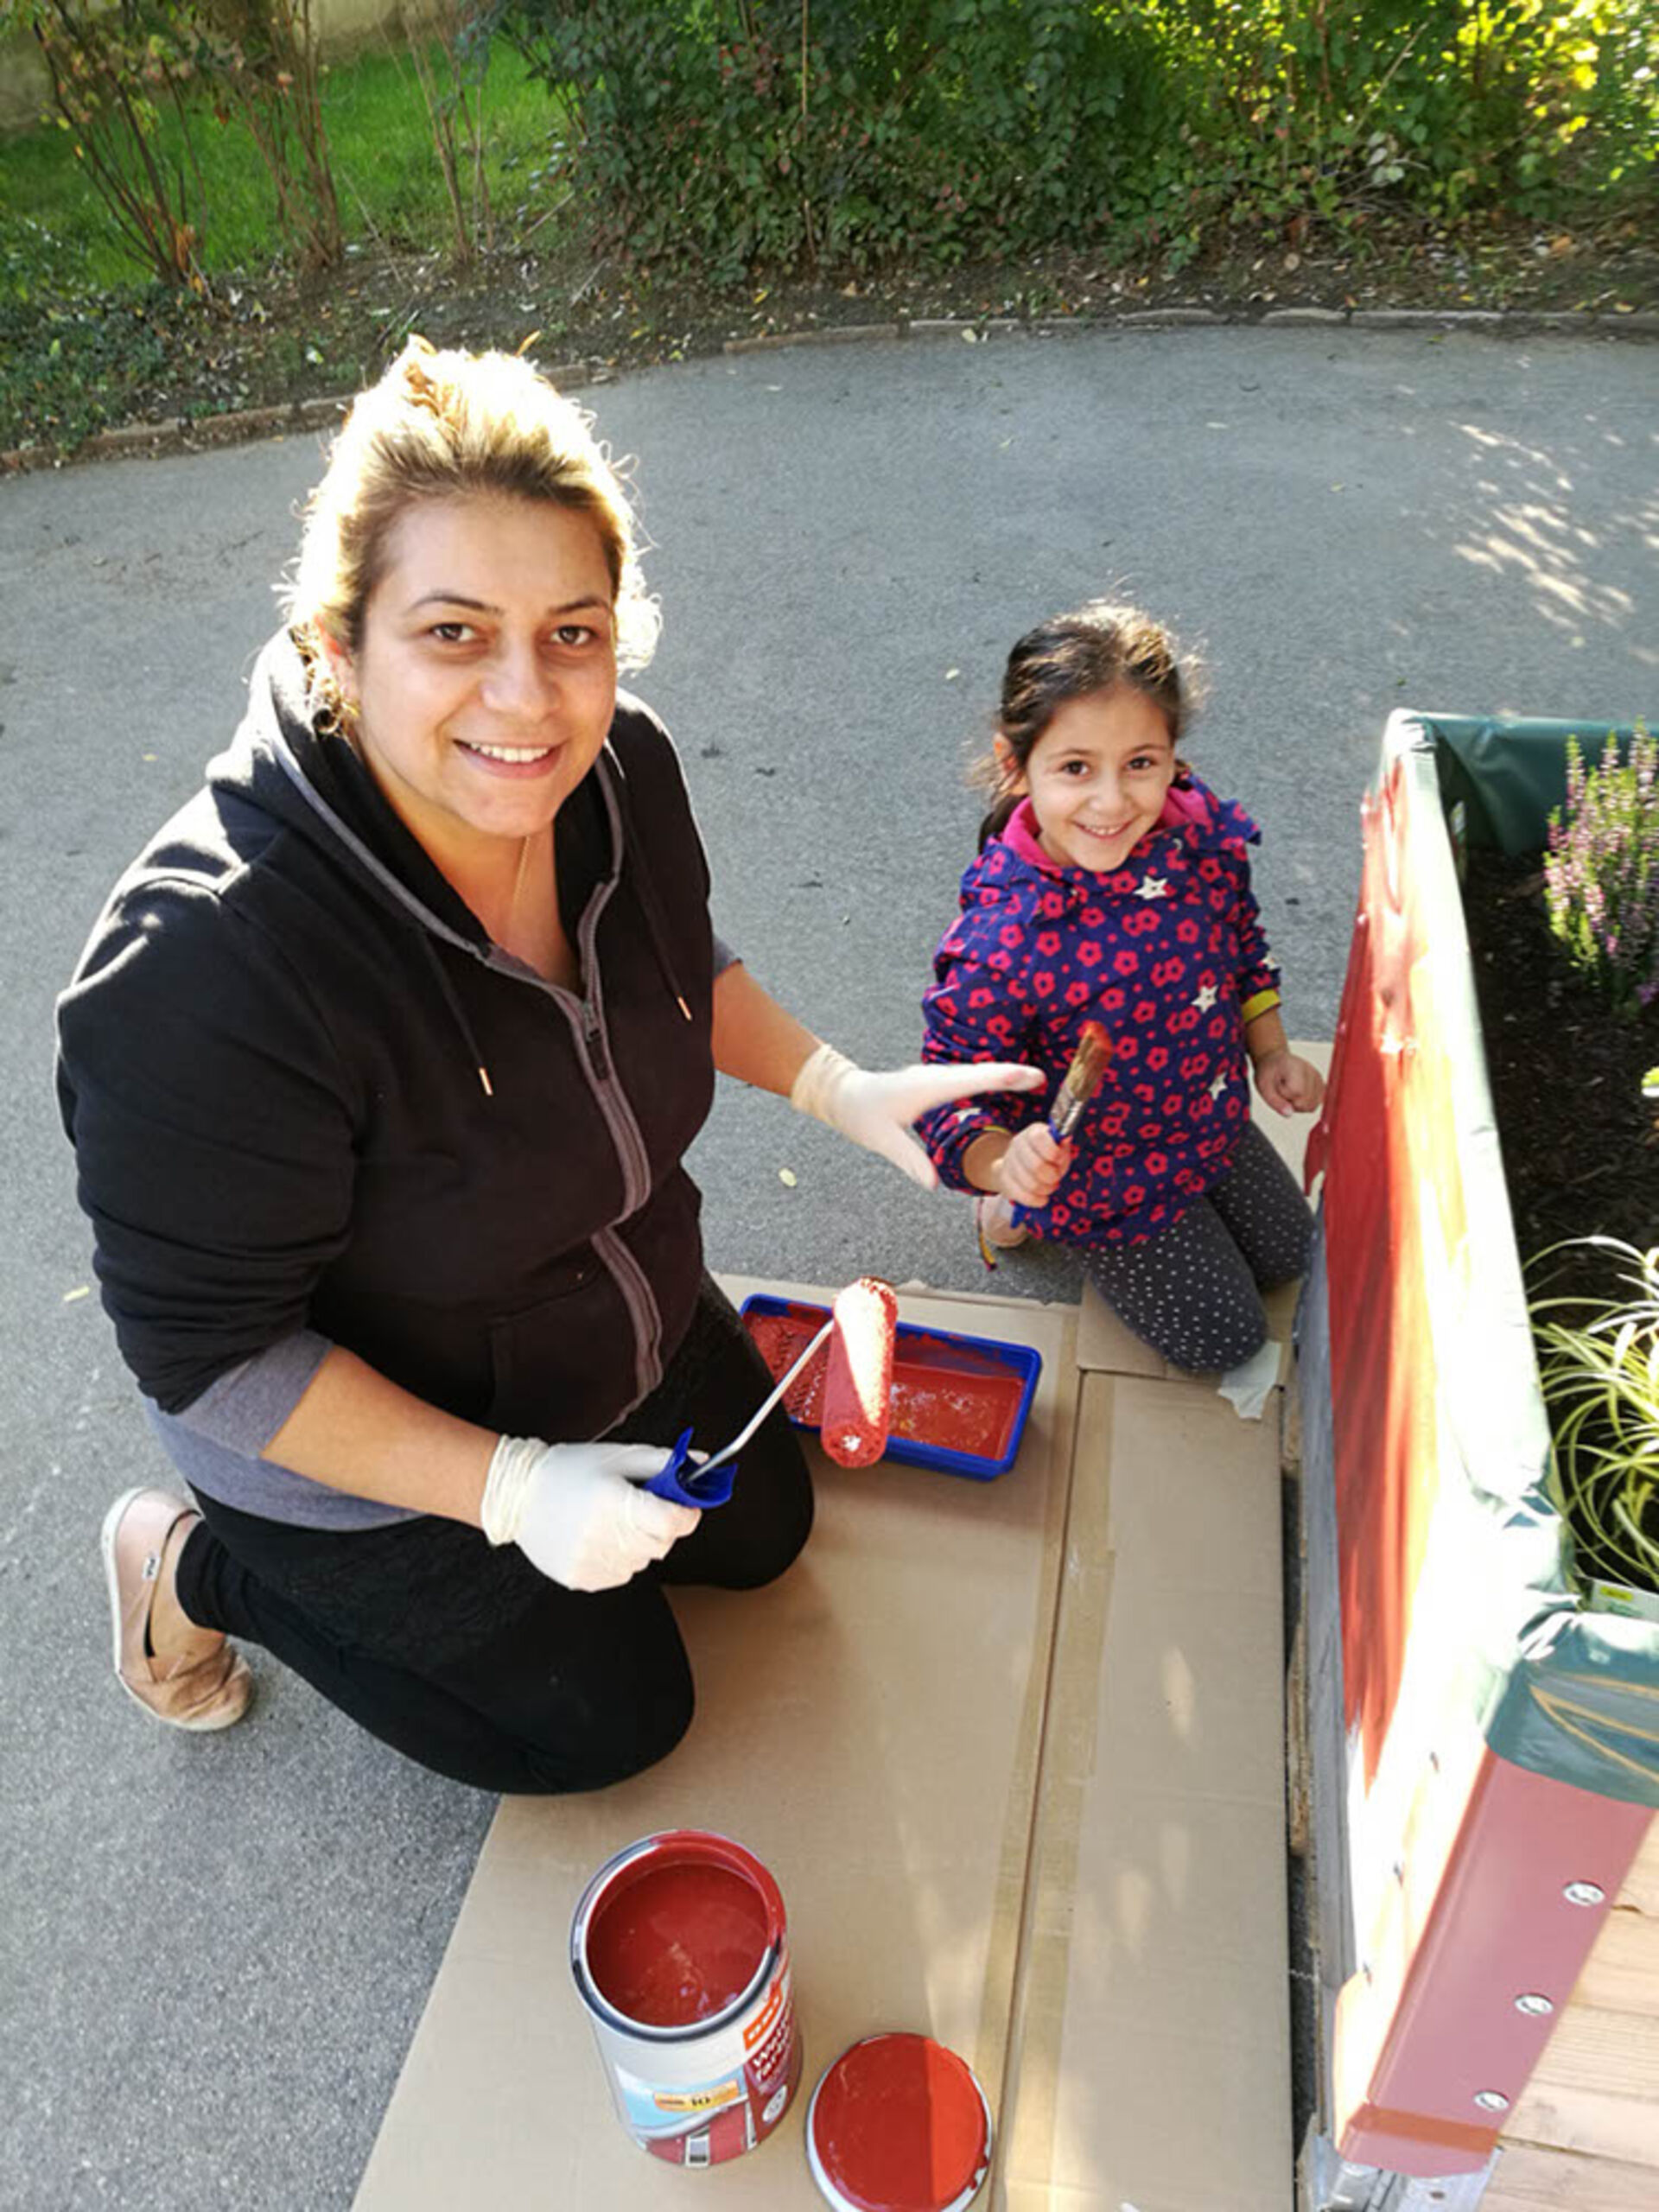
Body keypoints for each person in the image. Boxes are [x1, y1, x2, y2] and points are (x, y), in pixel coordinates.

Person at [58, 337, 1040, 1793]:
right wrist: (506, 1490)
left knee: (764, 1532)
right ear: (340, 648)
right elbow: (212, 1360)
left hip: (588, 1317)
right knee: (611, 1722)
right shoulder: (205, 969)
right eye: (454, 633)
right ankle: (191, 1574)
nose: (528, 701)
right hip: (356, 1448)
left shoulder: (621, 769)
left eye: (572, 631)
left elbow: (666, 973)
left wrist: (838, 1088)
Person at [915, 601, 1325, 1373]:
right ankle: (1008, 1212)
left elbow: (1242, 945)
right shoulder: (1003, 942)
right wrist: (1006, 1165)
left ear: (1173, 754)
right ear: (1015, 764)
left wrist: (1268, 1050)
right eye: (1076, 768)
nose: (1113, 803)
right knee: (1227, 1341)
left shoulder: (1199, 836)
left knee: (1293, 1253)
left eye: (1141, 762)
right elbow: (950, 1096)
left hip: (1207, 1118)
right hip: (1108, 1183)